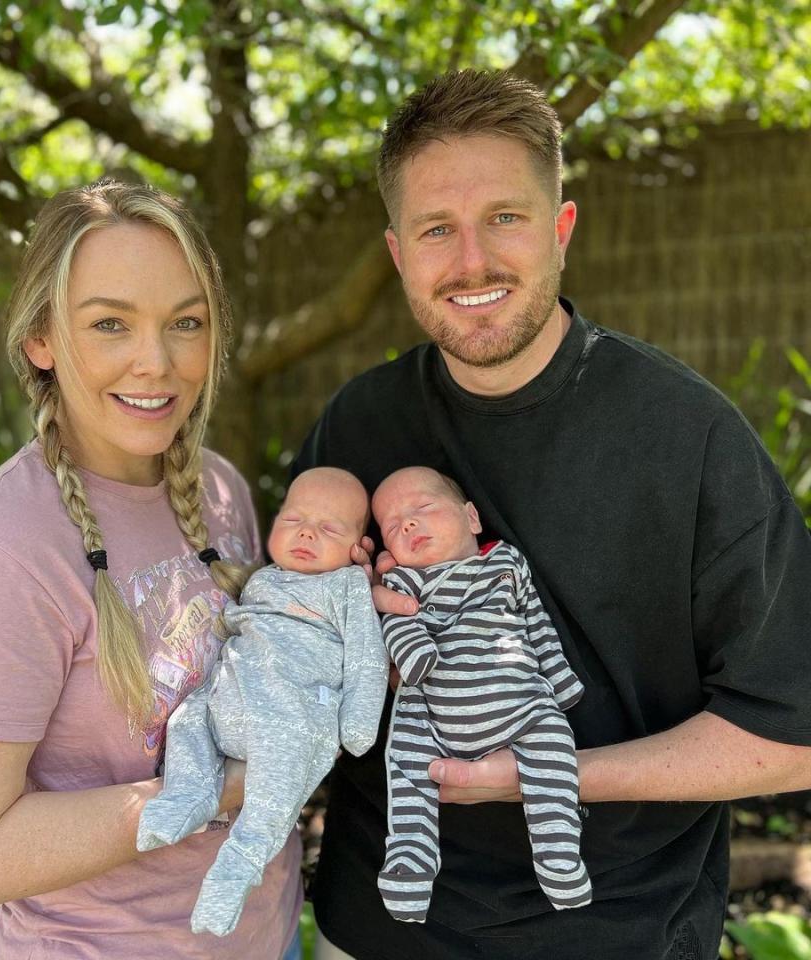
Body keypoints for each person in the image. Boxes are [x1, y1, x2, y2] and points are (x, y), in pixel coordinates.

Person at [292, 69, 811, 960]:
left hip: (618, 933)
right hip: (375, 931)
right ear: (397, 254)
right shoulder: (359, 425)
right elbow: (296, 665)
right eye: (435, 230)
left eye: (505, 217)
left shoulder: (689, 438)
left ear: (561, 229)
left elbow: (792, 736)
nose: (471, 261)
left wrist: (541, 777)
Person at [0, 180, 302, 960]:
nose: (157, 362)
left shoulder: (218, 491)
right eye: (111, 323)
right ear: (41, 339)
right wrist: (221, 788)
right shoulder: (1, 557)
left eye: (186, 322)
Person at [137, 466, 388, 938]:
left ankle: (238, 865)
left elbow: (366, 656)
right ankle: (187, 796)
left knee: (278, 787)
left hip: (293, 712)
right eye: (294, 519)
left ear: (357, 549)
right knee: (187, 720)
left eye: (328, 528)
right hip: (230, 698)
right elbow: (241, 625)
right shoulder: (263, 579)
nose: (306, 532)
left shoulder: (347, 587)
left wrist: (357, 719)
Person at [372, 466, 590, 922]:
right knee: (406, 765)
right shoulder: (406, 582)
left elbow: (537, 622)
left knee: (553, 746)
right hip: (432, 707)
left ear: (472, 518)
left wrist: (560, 677)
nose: (407, 523)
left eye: (423, 508)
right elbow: (398, 620)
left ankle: (560, 854)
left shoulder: (506, 564)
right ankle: (410, 860)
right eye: (393, 525)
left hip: (521, 704)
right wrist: (413, 651)